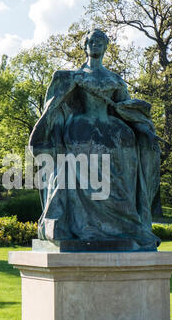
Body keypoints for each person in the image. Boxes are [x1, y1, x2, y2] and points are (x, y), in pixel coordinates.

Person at [29, 28, 161, 251]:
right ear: (85, 46)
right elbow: (55, 106)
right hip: (82, 127)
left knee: (127, 158)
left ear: (106, 46)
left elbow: (125, 109)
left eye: (100, 41)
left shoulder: (114, 79)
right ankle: (84, 223)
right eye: (91, 41)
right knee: (80, 162)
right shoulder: (74, 76)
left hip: (113, 130)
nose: (95, 45)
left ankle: (126, 222)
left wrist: (144, 130)